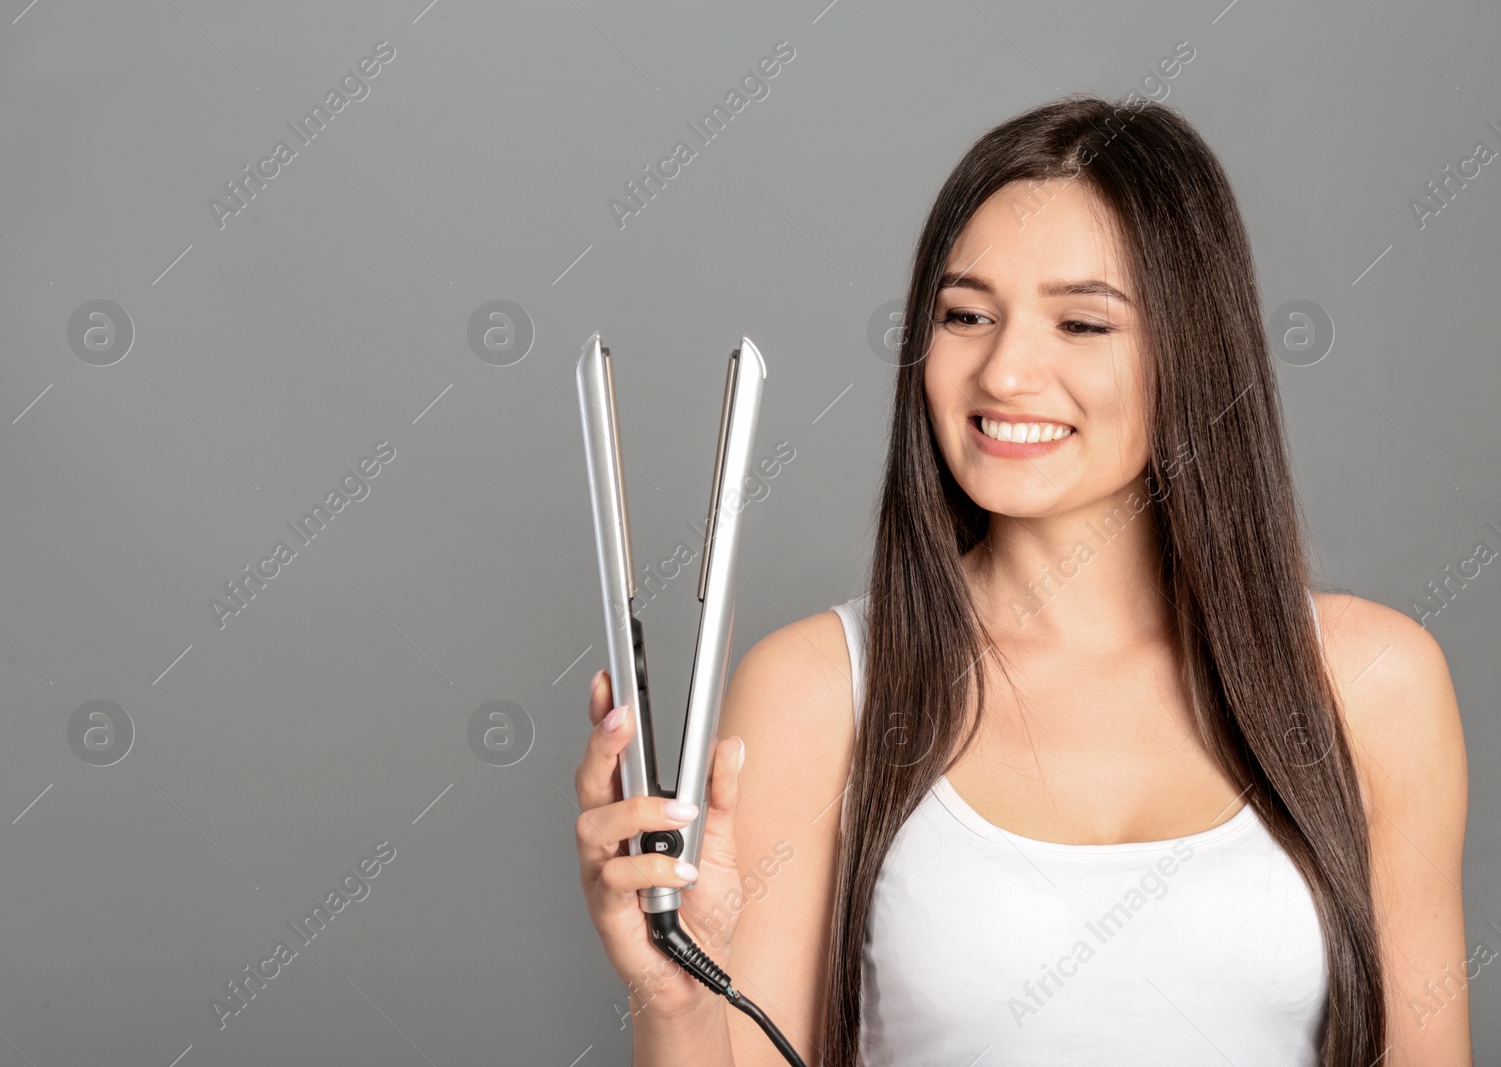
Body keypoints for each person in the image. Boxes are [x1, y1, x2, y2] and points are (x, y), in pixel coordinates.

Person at [572, 94, 1470, 1066]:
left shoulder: (1373, 683)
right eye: (965, 314)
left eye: (1081, 323)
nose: (1003, 371)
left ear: (1192, 351)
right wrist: (676, 998)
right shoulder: (814, 692)